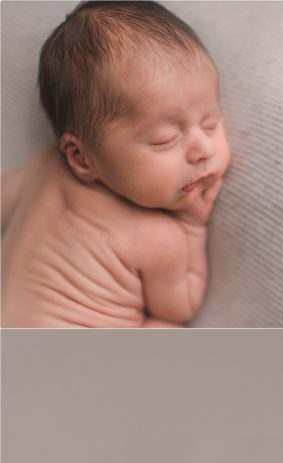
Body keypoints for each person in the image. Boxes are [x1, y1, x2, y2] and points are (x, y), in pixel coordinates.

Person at [1, 1, 230, 328]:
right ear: (81, 157)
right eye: (165, 139)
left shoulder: (41, 166)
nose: (203, 149)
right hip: (76, 369)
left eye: (211, 122)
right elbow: (180, 307)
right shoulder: (158, 237)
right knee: (167, 329)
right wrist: (192, 228)